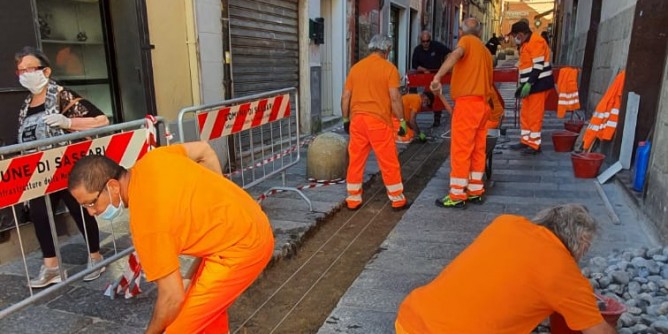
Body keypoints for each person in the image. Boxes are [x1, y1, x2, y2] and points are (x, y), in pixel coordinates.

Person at [68, 142, 274, 333]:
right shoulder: (154, 159)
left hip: (242, 247)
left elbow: (172, 297)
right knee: (204, 314)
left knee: (178, 328)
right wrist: (222, 200)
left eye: (91, 203)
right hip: (247, 220)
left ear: (112, 186)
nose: (91, 212)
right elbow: (204, 150)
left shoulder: (146, 222)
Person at [395, 204, 617, 334]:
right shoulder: (564, 273)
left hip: (410, 319)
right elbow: (597, 331)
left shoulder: (505, 223)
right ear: (581, 243)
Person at [15, 46, 109, 288]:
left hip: (68, 167)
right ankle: (51, 268)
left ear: (45, 70)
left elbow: (101, 120)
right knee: (39, 215)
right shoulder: (26, 105)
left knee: (79, 209)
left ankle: (95, 257)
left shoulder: (62, 96)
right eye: (20, 70)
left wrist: (68, 121)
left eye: (30, 68)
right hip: (39, 171)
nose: (25, 74)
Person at [430, 18, 493, 208]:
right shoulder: (486, 52)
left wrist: (438, 76)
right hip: (483, 105)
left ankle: (457, 194)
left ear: (461, 31)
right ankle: (475, 190)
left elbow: (456, 54)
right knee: (478, 149)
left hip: (467, 104)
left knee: (461, 150)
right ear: (481, 32)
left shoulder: (466, 42)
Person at [342, 34, 410, 211]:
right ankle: (397, 199)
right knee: (388, 161)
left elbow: (346, 96)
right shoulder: (389, 69)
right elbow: (395, 98)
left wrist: (345, 119)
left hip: (357, 121)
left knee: (356, 161)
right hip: (378, 121)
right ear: (387, 50)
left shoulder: (355, 69)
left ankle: (353, 199)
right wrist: (402, 121)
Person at [508, 21, 555, 155]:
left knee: (534, 115)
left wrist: (529, 83)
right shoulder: (525, 44)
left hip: (539, 84)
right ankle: (525, 141)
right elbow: (526, 65)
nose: (513, 39)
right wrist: (524, 84)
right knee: (525, 114)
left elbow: (538, 65)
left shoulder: (536, 41)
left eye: (515, 36)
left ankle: (534, 145)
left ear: (521, 34)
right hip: (530, 84)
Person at [411, 30, 452, 128]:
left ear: (430, 40)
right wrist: (423, 69)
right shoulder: (417, 50)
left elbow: (450, 53)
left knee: (437, 96)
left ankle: (437, 118)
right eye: (423, 41)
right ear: (420, 41)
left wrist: (445, 65)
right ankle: (413, 115)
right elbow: (414, 65)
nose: (425, 43)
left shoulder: (437, 46)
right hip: (423, 76)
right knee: (423, 95)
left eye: (427, 41)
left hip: (436, 75)